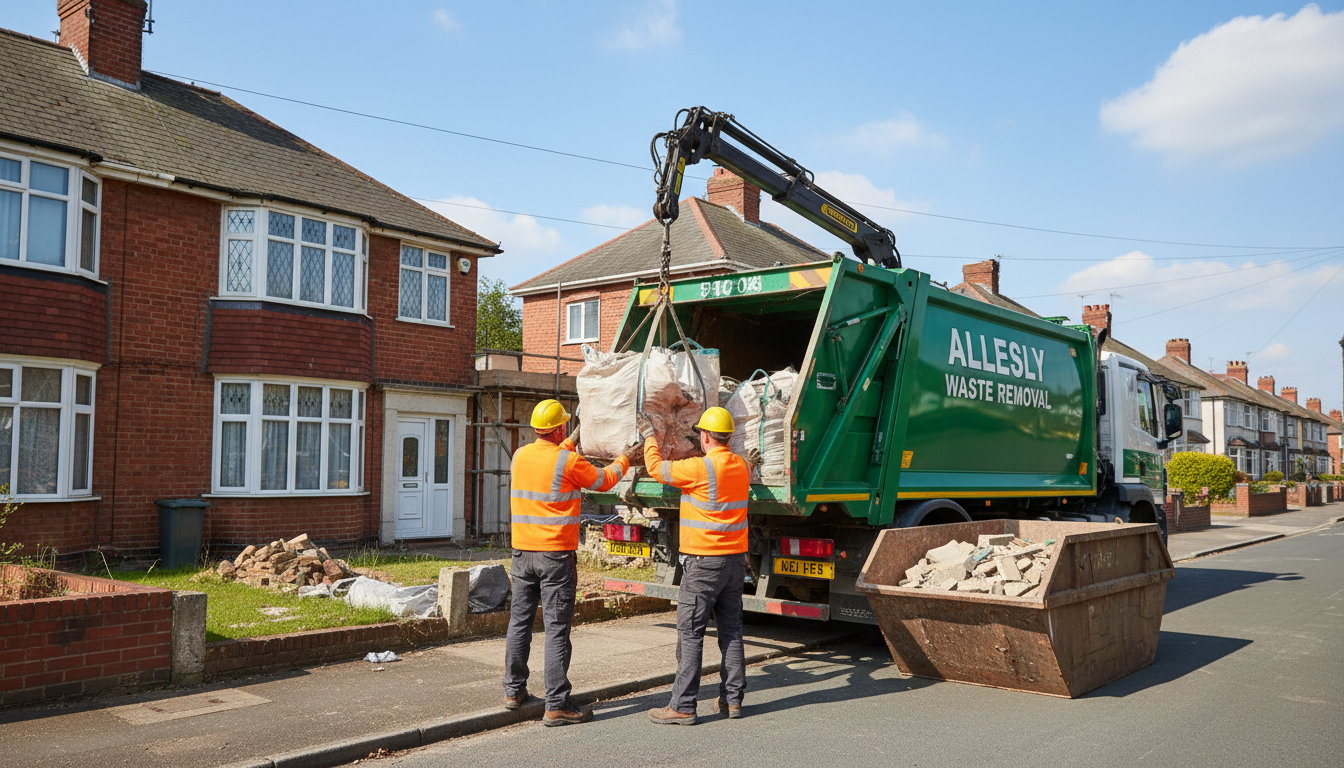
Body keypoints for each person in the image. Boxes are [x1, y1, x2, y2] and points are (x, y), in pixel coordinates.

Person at [504, 399, 634, 726]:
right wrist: (626, 459)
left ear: (536, 428)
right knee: (557, 630)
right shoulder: (569, 461)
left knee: (519, 623)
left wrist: (573, 437)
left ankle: (513, 691)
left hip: (521, 556)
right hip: (555, 558)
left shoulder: (520, 455)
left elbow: (551, 457)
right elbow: (604, 480)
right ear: (559, 427)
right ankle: (557, 703)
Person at [642, 406, 750, 725]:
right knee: (731, 632)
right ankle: (733, 701)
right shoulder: (741, 466)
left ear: (704, 436)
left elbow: (656, 469)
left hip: (704, 565)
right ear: (728, 437)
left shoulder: (698, 469)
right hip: (733, 564)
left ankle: (683, 705)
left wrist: (650, 436)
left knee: (690, 632)